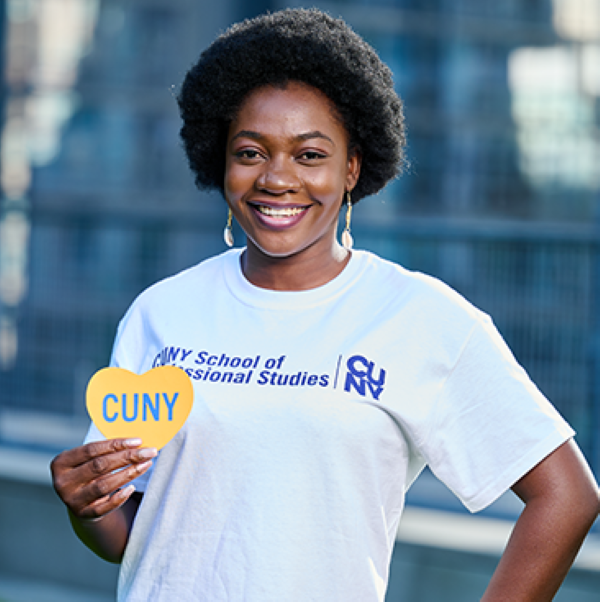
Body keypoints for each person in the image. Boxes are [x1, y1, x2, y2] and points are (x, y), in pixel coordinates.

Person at [51, 8, 599, 601]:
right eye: (250, 152)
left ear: (352, 168)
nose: (276, 179)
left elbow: (567, 496)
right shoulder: (161, 311)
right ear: (222, 160)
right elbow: (134, 535)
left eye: (310, 155)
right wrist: (87, 508)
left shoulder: (420, 319)